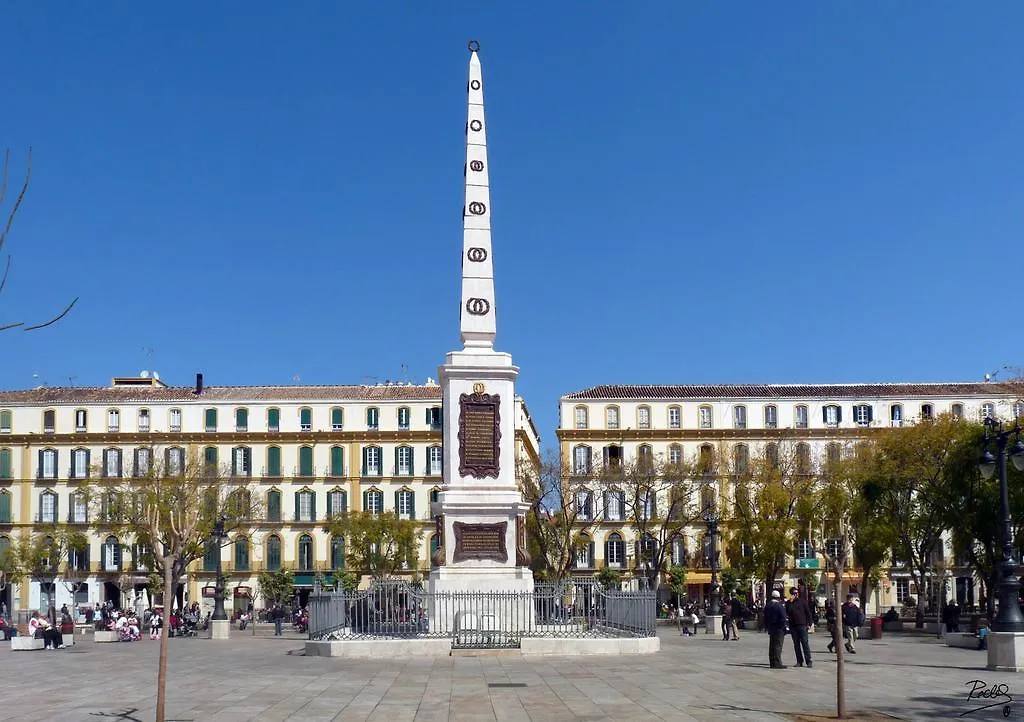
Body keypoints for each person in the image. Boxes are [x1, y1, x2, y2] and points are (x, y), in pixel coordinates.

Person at [785, 587, 813, 668]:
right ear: (791, 594)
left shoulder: (803, 602)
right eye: (794, 593)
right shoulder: (788, 603)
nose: (796, 594)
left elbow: (808, 613)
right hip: (793, 627)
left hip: (802, 626)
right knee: (796, 645)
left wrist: (809, 623)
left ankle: (809, 661)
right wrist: (790, 602)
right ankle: (799, 661)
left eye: (797, 593)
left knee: (805, 643)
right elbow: (788, 613)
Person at [764, 589, 788, 669]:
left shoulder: (768, 605)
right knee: (778, 645)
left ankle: (772, 662)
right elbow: (783, 617)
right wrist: (783, 626)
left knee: (772, 645)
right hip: (779, 629)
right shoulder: (779, 606)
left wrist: (767, 626)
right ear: (778, 597)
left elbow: (765, 617)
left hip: (771, 628)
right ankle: (777, 662)